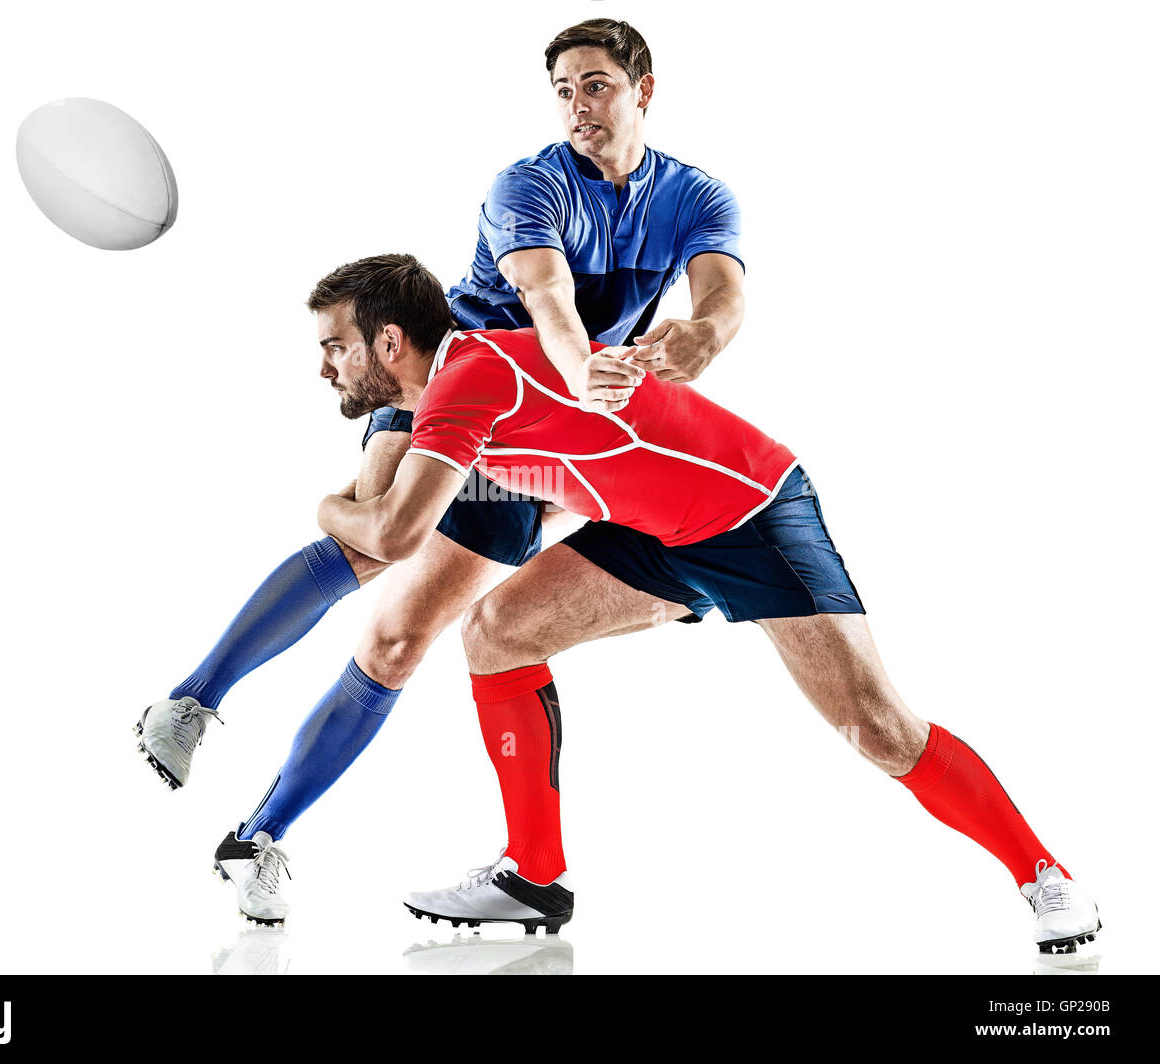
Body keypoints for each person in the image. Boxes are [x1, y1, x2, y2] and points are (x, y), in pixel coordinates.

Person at [305, 253, 1101, 954]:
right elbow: (559, 462)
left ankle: (1045, 875)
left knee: (878, 727)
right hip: (657, 530)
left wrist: (325, 510)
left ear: (389, 343)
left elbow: (393, 535)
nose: (324, 369)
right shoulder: (466, 377)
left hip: (752, 511)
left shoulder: (462, 383)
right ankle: (534, 879)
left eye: (334, 347)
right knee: (498, 631)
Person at [136, 20, 750, 921]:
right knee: (376, 534)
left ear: (643, 90)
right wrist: (587, 371)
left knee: (396, 642)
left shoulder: (695, 195)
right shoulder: (528, 184)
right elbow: (547, 302)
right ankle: (190, 703)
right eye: (565, 89)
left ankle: (256, 837)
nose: (579, 106)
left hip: (539, 433)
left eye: (597, 86)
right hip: (452, 375)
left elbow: (724, 294)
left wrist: (704, 334)